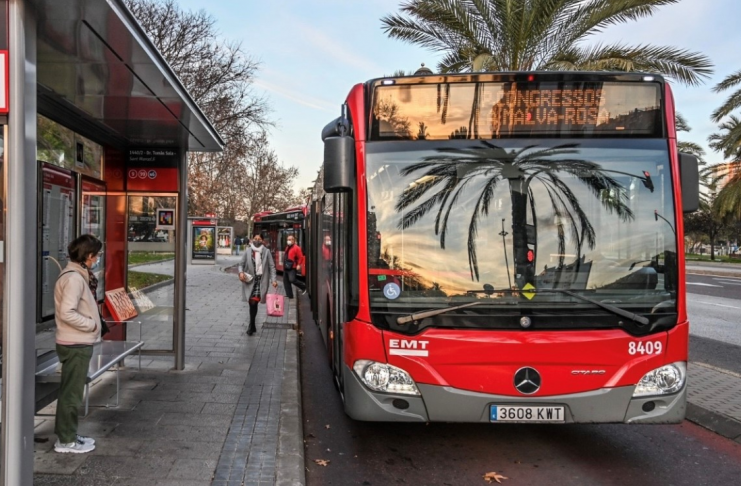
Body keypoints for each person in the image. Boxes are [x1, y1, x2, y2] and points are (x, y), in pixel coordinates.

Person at [53, 234, 103, 454]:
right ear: (89, 256)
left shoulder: (76, 274)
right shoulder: (74, 279)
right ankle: (65, 440)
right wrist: (91, 325)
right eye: (97, 255)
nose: (98, 258)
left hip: (75, 341)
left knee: (71, 392)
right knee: (71, 395)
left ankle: (69, 434)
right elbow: (67, 312)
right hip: (75, 343)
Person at [238, 233, 278, 335]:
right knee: (251, 303)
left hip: (260, 282)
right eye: (255, 239)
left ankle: (251, 325)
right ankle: (252, 325)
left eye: (259, 239)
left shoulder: (266, 251)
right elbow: (241, 265)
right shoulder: (248, 251)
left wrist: (273, 280)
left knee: (254, 303)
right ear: (252, 240)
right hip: (249, 281)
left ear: (263, 241)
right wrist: (241, 272)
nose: (257, 240)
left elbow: (272, 267)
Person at [283, 234, 307, 299]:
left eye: (290, 239)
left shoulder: (297, 248)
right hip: (286, 267)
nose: (289, 241)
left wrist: (299, 264)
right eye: (288, 239)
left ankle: (303, 287)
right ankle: (289, 295)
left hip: (292, 267)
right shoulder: (287, 247)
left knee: (292, 279)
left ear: (293, 240)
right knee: (286, 281)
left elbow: (301, 257)